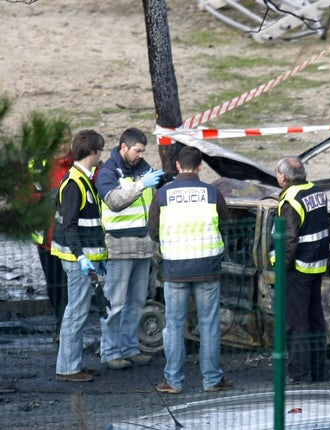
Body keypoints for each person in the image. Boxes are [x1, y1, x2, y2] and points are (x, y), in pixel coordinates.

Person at [148, 145, 233, 394]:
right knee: (209, 324)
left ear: (177, 166)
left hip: (174, 269)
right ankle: (212, 379)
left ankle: (173, 381)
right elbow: (226, 225)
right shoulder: (212, 193)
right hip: (207, 267)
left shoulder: (162, 194)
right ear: (200, 167)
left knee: (174, 325)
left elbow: (152, 231)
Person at [95, 128, 163, 370]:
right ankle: (111, 352)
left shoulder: (143, 167)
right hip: (119, 247)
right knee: (115, 304)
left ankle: (130, 348)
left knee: (135, 302)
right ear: (123, 147)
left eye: (143, 151)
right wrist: (141, 185)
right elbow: (113, 201)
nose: (140, 155)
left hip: (143, 246)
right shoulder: (107, 172)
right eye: (137, 150)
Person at [51, 130, 108, 382]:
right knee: (76, 312)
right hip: (77, 260)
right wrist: (82, 257)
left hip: (81, 257)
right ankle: (68, 368)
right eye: (100, 151)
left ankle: (71, 365)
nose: (101, 156)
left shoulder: (81, 179)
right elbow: (70, 226)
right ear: (93, 152)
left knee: (77, 311)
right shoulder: (75, 182)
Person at [270, 156, 330, 384]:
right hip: (318, 264)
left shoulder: (291, 200)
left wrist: (280, 269)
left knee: (297, 324)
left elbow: (288, 241)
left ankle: (299, 374)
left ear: (283, 177)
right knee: (316, 319)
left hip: (299, 269)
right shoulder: (317, 191)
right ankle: (319, 371)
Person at [30, 139, 73, 342]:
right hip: (46, 238)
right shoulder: (39, 166)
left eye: (65, 141)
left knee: (68, 286)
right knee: (54, 285)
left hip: (71, 238)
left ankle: (63, 329)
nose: (61, 146)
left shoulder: (79, 161)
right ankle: (60, 321)